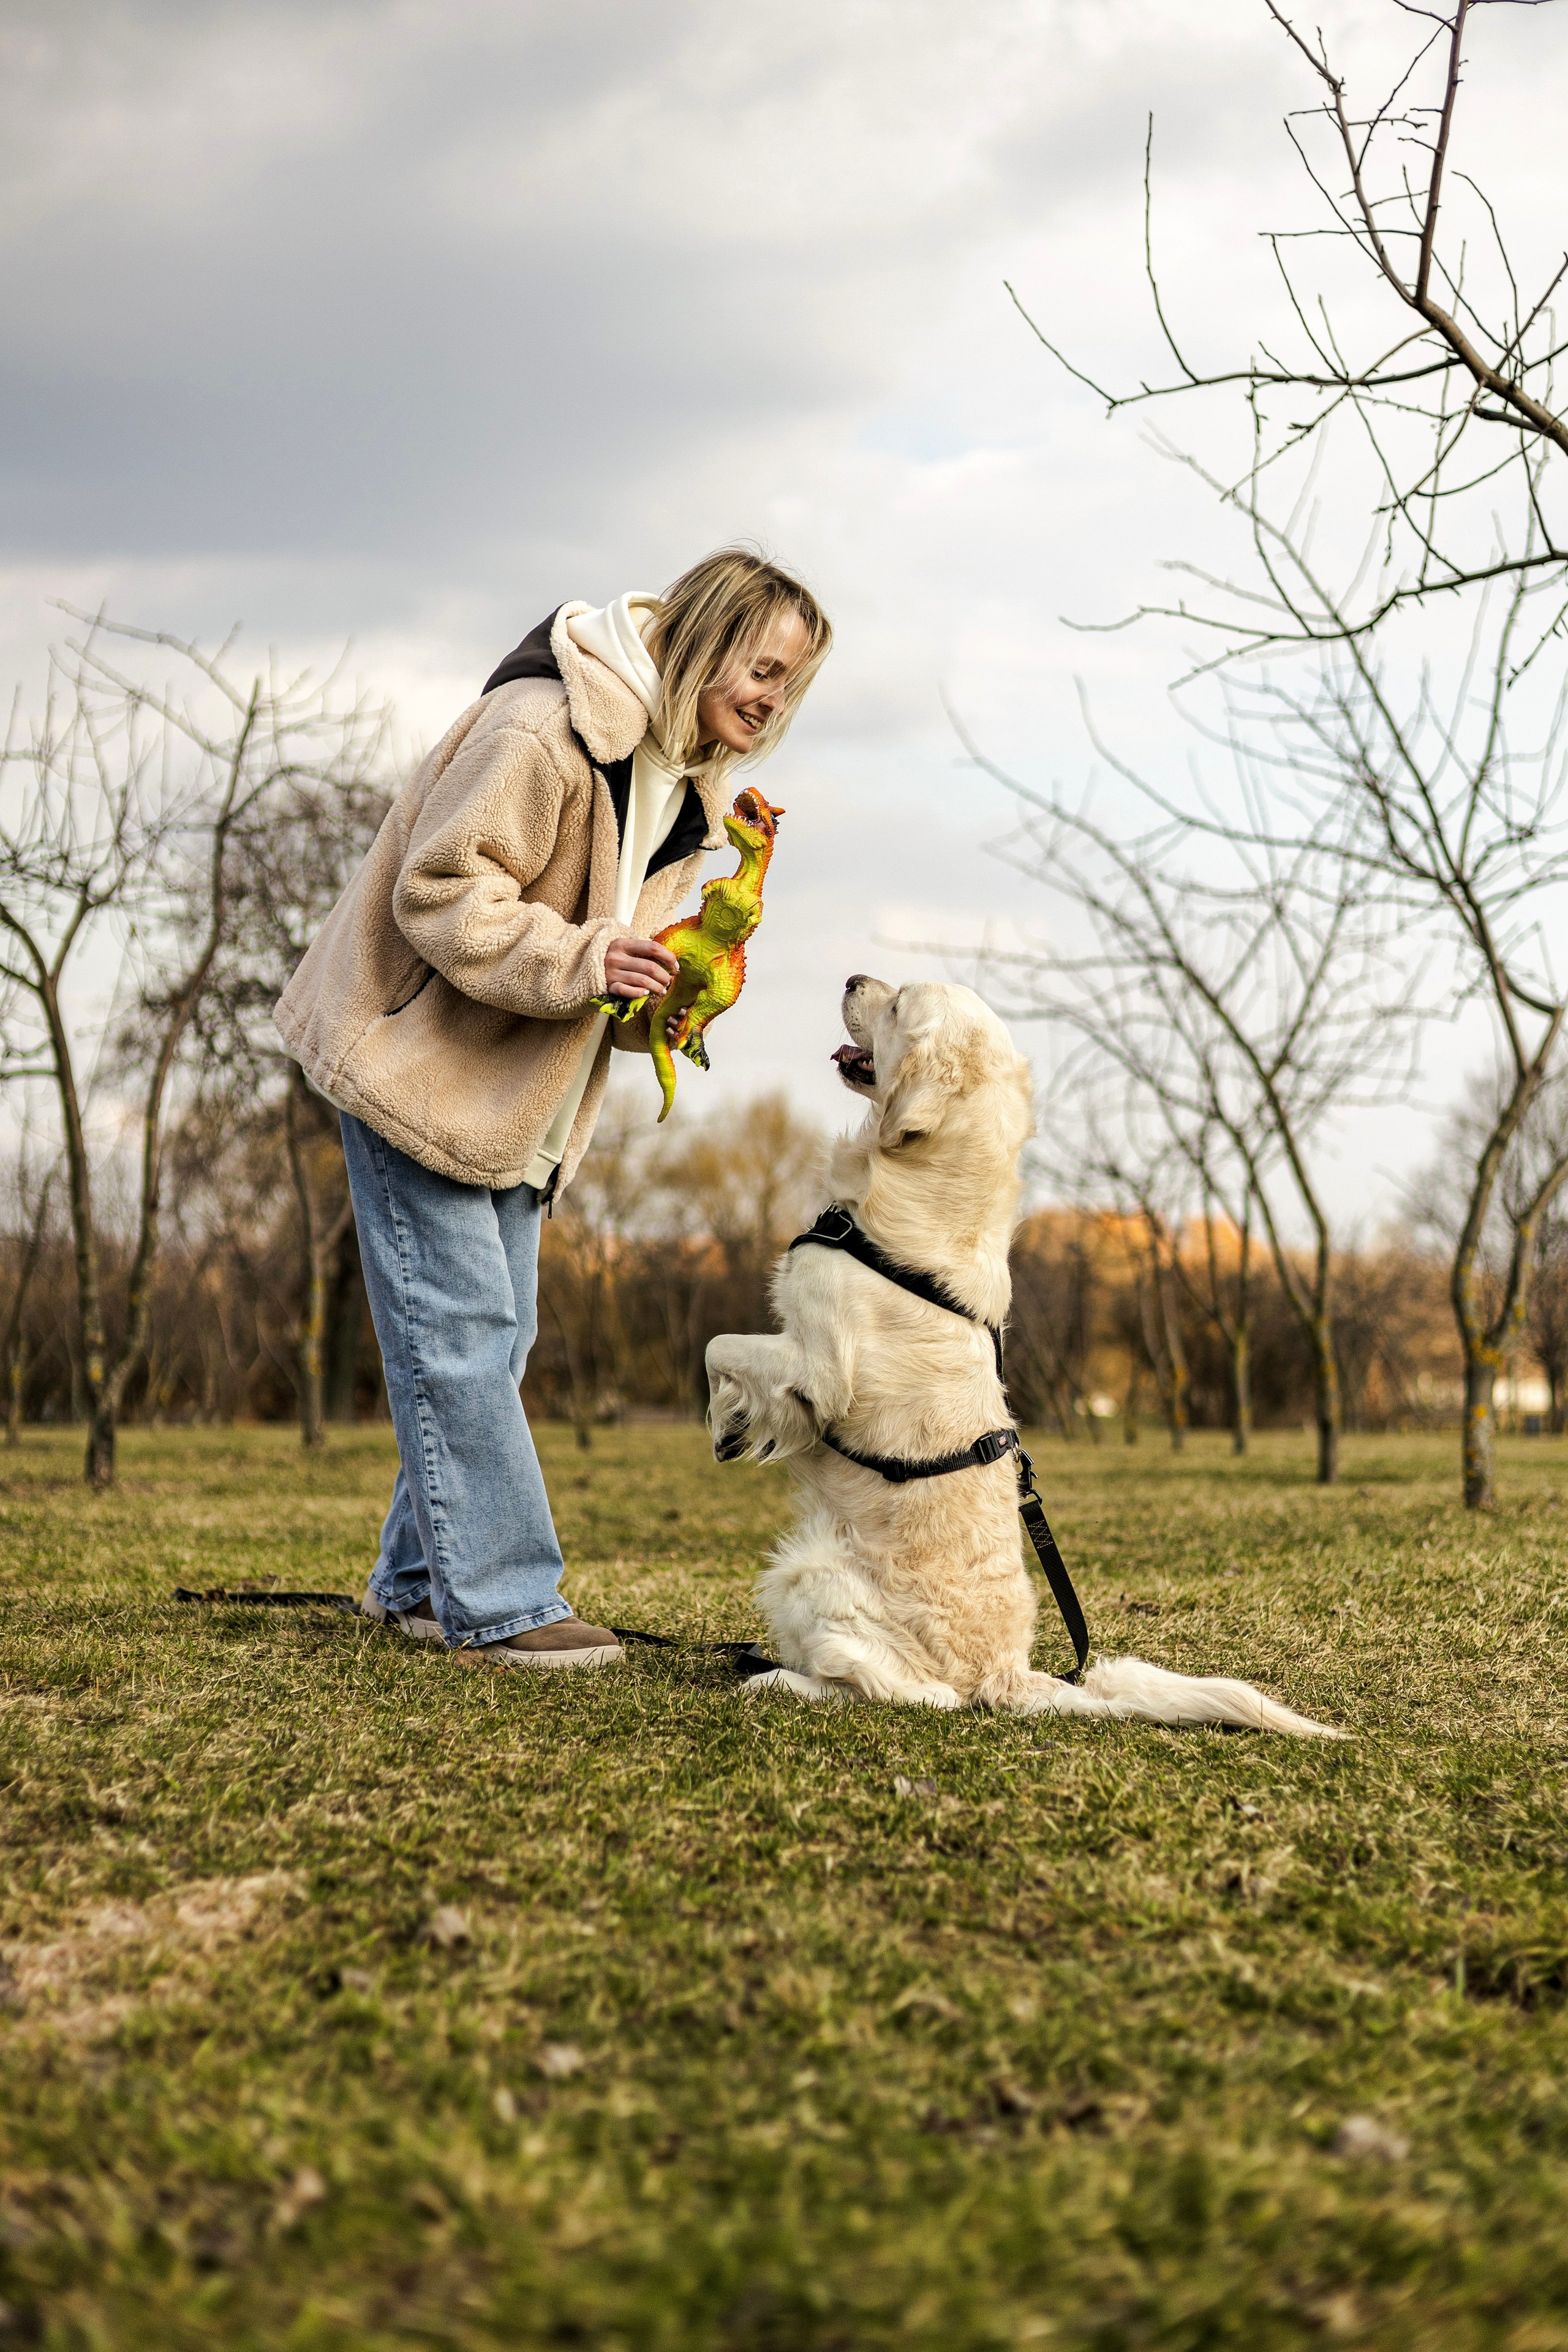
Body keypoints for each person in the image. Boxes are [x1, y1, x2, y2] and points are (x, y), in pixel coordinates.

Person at [274, 549, 832, 1668]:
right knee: (463, 1337)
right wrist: (589, 957)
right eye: (762, 666)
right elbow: (438, 890)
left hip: (518, 1097)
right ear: (703, 637)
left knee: (494, 1339)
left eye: (792, 683)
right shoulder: (543, 726)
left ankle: (421, 1584)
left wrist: (657, 1002)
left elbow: (597, 970)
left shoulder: (686, 792)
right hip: (414, 1063)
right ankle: (506, 1604)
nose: (771, 698)